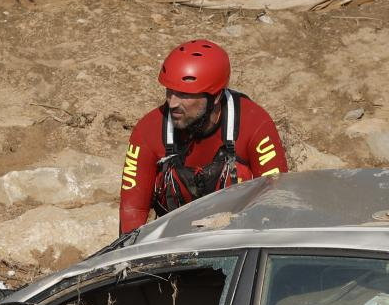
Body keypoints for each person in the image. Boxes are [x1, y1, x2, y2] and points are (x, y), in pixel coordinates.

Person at [119, 40, 289, 233]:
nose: (172, 103)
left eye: (184, 94)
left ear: (215, 97)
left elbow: (276, 207)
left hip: (239, 238)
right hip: (175, 240)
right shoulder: (148, 130)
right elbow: (132, 210)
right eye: (169, 91)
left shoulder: (255, 124)